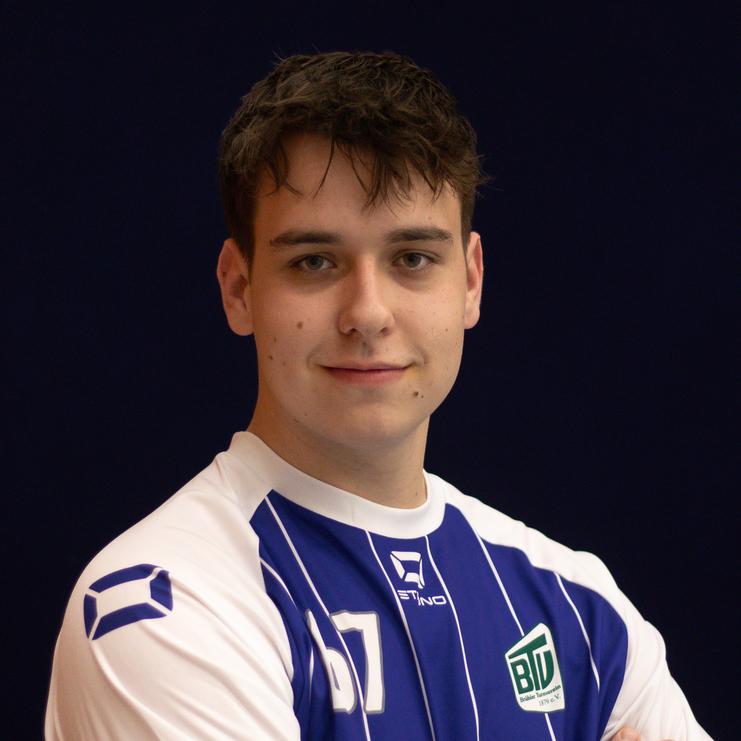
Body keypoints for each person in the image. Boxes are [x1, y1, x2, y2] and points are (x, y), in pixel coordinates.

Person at [44, 51, 710, 740]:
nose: (367, 312)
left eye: (412, 258)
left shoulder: (581, 611)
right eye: (314, 261)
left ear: (470, 281)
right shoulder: (163, 598)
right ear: (239, 288)